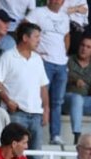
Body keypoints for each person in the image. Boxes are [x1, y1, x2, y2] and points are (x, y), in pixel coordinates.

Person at [0, 21, 48, 147]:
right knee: (14, 153)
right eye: (36, 37)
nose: (39, 40)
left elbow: (43, 86)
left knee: (36, 156)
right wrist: (8, 101)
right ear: (25, 38)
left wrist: (46, 109)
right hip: (16, 113)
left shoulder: (38, 59)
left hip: (36, 114)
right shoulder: (8, 56)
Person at [27, 0, 72, 146]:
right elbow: (24, 28)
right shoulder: (38, 12)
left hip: (61, 63)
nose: (57, 1)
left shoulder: (64, 16)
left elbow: (66, 36)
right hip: (44, 61)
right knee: (39, 98)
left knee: (57, 101)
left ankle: (55, 135)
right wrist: (34, 51)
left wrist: (63, 54)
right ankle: (34, 135)